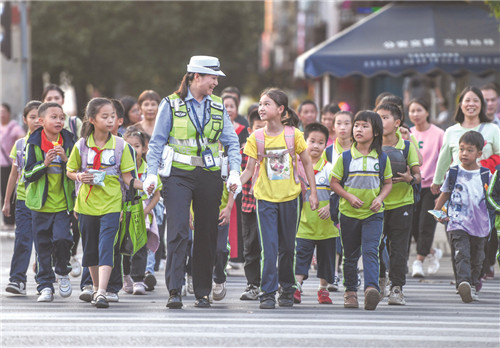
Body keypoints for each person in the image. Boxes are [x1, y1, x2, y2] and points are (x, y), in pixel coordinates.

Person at [144, 56, 242, 309]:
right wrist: (151, 174)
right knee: (177, 231)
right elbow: (156, 143)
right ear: (196, 76)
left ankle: (202, 291)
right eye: (213, 77)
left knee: (207, 234)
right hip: (178, 174)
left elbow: (231, 143)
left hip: (209, 175)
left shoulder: (219, 106)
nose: (216, 82)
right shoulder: (170, 104)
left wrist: (234, 172)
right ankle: (175, 290)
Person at [239, 88, 318, 310]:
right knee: (269, 248)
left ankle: (287, 288)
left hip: (291, 198)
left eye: (267, 104)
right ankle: (267, 292)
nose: (261, 108)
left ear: (281, 110)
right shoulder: (256, 137)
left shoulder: (294, 135)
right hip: (264, 199)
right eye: (260, 104)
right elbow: (249, 171)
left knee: (287, 248)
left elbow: (307, 163)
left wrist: (312, 192)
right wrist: (235, 182)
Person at [67, 98, 144, 308]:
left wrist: (143, 185)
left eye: (112, 116)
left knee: (107, 246)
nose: (110, 120)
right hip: (86, 204)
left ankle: (102, 291)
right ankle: (94, 287)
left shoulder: (121, 145)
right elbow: (70, 171)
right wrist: (79, 177)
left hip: (112, 204)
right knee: (90, 247)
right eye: (105, 116)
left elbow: (127, 177)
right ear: (92, 119)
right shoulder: (81, 145)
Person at [431, 87, 500, 285]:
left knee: (481, 238)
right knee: (457, 236)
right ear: (460, 104)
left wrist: (486, 165)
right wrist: (437, 183)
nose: (471, 104)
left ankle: (477, 272)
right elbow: (444, 157)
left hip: (484, 193)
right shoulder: (451, 131)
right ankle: (462, 279)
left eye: (475, 100)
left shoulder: (493, 129)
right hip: (457, 193)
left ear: (482, 104)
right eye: (466, 100)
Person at [330, 110, 392, 310]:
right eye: (356, 125)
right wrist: (349, 196)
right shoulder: (346, 157)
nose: (358, 129)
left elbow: (388, 183)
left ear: (375, 132)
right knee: (350, 255)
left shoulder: (382, 159)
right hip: (348, 214)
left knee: (371, 251)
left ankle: (371, 290)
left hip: (373, 215)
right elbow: (334, 183)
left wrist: (380, 199)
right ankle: (350, 292)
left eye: (365, 126)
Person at [24, 102, 75, 302]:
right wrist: (44, 164)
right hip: (40, 205)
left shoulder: (70, 140)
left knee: (63, 239)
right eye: (53, 117)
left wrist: (65, 159)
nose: (59, 121)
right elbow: (28, 174)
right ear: (41, 121)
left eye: (61, 117)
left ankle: (62, 272)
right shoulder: (33, 143)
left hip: (63, 204)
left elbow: (76, 169)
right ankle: (45, 285)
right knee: (42, 246)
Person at [434, 131, 491, 303]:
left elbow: (491, 198)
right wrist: (438, 211)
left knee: (478, 258)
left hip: (480, 225)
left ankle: (472, 284)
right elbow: (445, 194)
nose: (464, 153)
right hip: (457, 222)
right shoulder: (453, 172)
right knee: (461, 254)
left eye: (469, 150)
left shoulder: (485, 175)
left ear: (479, 154)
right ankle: (463, 282)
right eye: (461, 149)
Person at [376, 102, 421, 306]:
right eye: (378, 117)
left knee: (399, 248)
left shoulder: (407, 146)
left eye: (385, 117)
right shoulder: (371, 145)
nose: (381, 121)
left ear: (397, 123)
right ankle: (379, 280)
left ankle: (397, 288)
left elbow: (418, 176)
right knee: (375, 245)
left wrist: (408, 178)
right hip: (377, 203)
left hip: (402, 203)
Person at [294, 123, 338, 305]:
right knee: (301, 257)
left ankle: (323, 290)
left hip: (327, 227)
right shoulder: (298, 168)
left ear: (326, 145)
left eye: (321, 142)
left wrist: (330, 208)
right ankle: (296, 286)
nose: (315, 146)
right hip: (304, 225)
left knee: (326, 260)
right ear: (304, 142)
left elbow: (337, 193)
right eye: (312, 141)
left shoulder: (330, 168)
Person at [42, 84, 83, 277]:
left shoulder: (73, 126)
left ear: (63, 101)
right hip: (44, 195)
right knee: (45, 236)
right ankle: (45, 266)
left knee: (69, 231)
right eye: (49, 97)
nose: (54, 100)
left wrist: (68, 159)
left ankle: (68, 257)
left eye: (57, 97)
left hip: (69, 189)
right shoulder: (38, 134)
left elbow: (83, 149)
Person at [3, 101, 41, 295]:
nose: (36, 121)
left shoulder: (54, 143)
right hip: (24, 199)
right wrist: (7, 201)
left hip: (47, 201)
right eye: (32, 117)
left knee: (46, 240)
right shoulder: (20, 144)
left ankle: (45, 278)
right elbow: (13, 174)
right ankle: (17, 280)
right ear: (25, 120)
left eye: (39, 117)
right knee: (23, 238)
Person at [122, 128, 161, 295]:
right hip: (125, 213)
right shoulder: (122, 169)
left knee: (140, 245)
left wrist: (146, 210)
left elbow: (157, 195)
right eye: (128, 146)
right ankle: (126, 276)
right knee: (125, 246)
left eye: (136, 146)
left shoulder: (149, 170)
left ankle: (138, 279)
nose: (133, 150)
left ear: (144, 149)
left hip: (143, 215)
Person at [408, 98, 444, 278]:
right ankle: (431, 251)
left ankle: (418, 261)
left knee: (425, 225)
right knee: (414, 226)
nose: (415, 114)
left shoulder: (439, 134)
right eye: (412, 111)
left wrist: (443, 188)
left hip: (432, 187)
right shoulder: (408, 133)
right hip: (413, 186)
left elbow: (445, 161)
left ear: (427, 112)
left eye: (419, 110)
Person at [239, 109, 265, 301]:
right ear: (250, 130)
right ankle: (253, 284)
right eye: (258, 128)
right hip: (249, 206)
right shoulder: (243, 153)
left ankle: (271, 284)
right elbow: (240, 175)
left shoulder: (277, 151)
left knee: (272, 246)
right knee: (251, 247)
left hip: (271, 203)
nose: (262, 132)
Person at [1, 102, 25, 227]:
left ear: (9, 113)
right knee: (2, 191)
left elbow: (22, 136)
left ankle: (11, 219)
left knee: (9, 189)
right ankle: (6, 219)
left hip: (9, 164)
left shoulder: (12, 126)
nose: (2, 114)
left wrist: (15, 146)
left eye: (4, 112)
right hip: (0, 164)